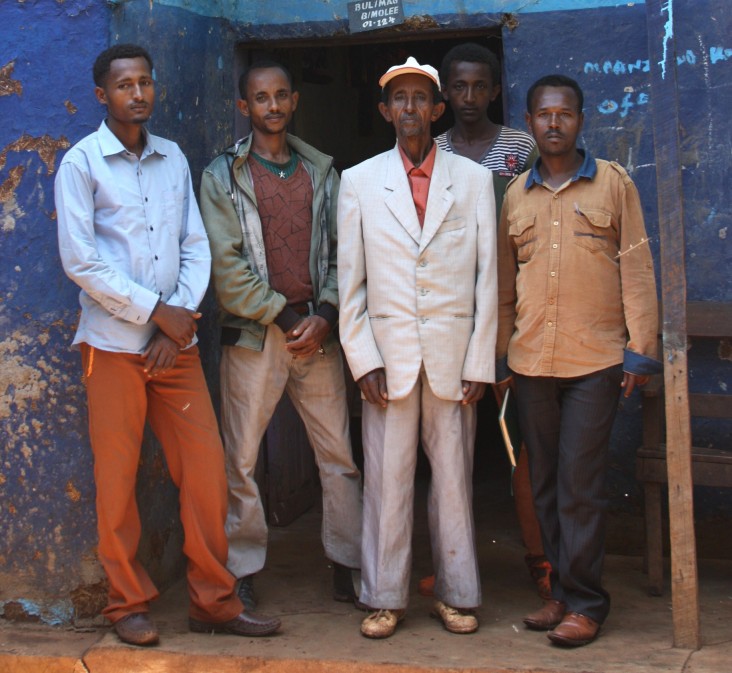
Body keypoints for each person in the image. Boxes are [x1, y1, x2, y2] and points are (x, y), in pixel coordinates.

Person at [54, 44, 281, 646]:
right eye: (124, 85)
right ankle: (126, 602)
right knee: (117, 479)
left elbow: (194, 243)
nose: (138, 93)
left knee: (206, 471)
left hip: (171, 348)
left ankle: (213, 599)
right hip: (113, 347)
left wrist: (175, 318)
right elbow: (81, 260)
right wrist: (155, 313)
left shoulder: (172, 157)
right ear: (103, 96)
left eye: (145, 82)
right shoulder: (81, 165)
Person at [497, 74, 661, 647]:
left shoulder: (613, 185)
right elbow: (503, 288)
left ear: (580, 120)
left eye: (564, 113)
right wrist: (501, 358)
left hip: (594, 362)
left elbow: (638, 271)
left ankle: (588, 602)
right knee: (542, 483)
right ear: (530, 122)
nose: (554, 123)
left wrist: (641, 351)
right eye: (543, 114)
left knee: (580, 485)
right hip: (531, 362)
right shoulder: (516, 195)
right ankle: (561, 595)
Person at [337, 57, 497, 639]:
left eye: (420, 99)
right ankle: (384, 596)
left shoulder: (474, 181)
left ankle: (457, 593)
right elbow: (349, 284)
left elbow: (487, 281)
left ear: (437, 109)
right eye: (398, 99)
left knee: (454, 481)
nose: (410, 109)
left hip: (454, 358)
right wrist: (363, 360)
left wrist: (481, 360)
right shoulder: (357, 182)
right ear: (386, 112)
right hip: (389, 360)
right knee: (386, 481)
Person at [199, 60, 363, 612]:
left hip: (318, 334)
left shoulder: (323, 172)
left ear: (295, 101)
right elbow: (227, 269)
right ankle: (241, 571)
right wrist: (291, 320)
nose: (272, 106)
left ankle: (347, 564)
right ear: (244, 107)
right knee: (240, 461)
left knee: (338, 457)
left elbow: (346, 254)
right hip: (255, 336)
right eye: (260, 98)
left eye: (280, 96)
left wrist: (326, 313)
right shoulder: (221, 176)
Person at [417, 42, 550, 602]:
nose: (469, 97)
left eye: (480, 86)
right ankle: (452, 564)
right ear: (443, 95)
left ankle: (541, 561)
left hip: (516, 312)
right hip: (450, 315)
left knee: (519, 442)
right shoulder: (433, 148)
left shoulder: (521, 147)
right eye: (458, 86)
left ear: (496, 91)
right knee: (451, 451)